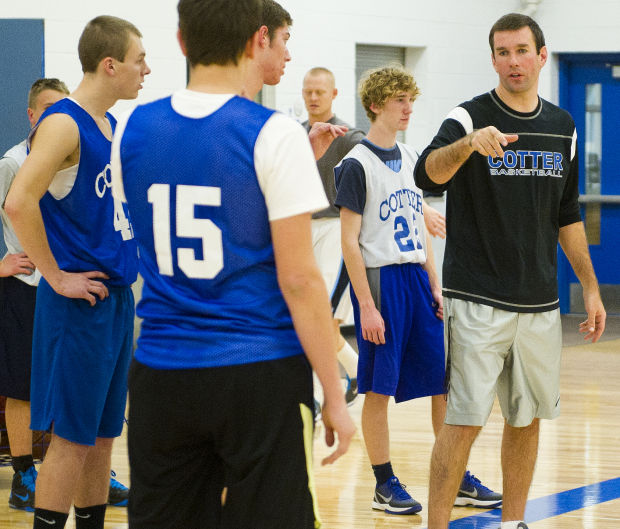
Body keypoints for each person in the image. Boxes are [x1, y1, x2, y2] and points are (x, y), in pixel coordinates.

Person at [110, 1, 355, 528]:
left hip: (160, 371)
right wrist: (334, 392)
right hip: (257, 374)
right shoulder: (274, 132)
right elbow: (298, 279)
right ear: (257, 40)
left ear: (180, 41)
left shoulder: (131, 129)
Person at [414, 13, 606, 529]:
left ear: (542, 55)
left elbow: (566, 214)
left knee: (526, 420)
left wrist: (589, 286)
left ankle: (513, 522)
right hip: (475, 300)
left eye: (522, 50)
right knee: (462, 422)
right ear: (493, 59)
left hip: (540, 304)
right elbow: (427, 172)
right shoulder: (468, 116)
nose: (512, 61)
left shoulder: (562, 125)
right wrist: (468, 145)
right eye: (502, 52)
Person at [335, 65, 500, 516]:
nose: (409, 108)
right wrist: (365, 307)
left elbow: (415, 221)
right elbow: (349, 240)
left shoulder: (410, 157)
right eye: (399, 100)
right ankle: (383, 483)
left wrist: (434, 280)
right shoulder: (356, 163)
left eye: (411, 99)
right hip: (381, 282)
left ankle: (456, 474)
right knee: (378, 389)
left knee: (439, 385)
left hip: (415, 279)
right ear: (375, 104)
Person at [5, 16, 150, 529]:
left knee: (104, 436)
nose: (146, 70)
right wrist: (57, 275)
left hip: (113, 299)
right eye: (139, 60)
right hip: (76, 305)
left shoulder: (109, 125)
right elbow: (18, 203)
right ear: (110, 65)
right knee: (69, 439)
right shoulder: (64, 123)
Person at [302, 66, 449, 408]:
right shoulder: (300, 134)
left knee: (322, 320)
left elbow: (391, 179)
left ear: (334, 95)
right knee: (309, 318)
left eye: (319, 92)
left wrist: (423, 210)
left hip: (335, 231)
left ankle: (332, 387)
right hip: (304, 229)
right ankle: (340, 382)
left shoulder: (349, 137)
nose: (312, 97)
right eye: (307, 91)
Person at [0, 78, 69, 512]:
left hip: (69, 287)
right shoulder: (11, 162)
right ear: (30, 115)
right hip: (25, 289)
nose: (55, 118)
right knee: (22, 390)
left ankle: (80, 469)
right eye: (46, 109)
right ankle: (24, 476)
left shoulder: (75, 156)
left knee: (71, 385)